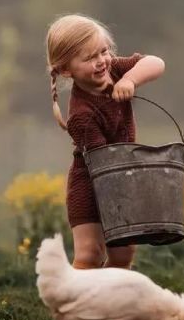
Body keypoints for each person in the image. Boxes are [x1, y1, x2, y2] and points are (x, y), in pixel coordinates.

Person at [46, 13, 165, 270]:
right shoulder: (81, 116)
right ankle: (75, 304)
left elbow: (156, 63)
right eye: (90, 58)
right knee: (90, 253)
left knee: (123, 254)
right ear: (67, 69)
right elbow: (104, 165)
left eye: (104, 51)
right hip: (90, 184)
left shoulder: (115, 69)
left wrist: (130, 79)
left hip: (121, 177)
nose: (101, 61)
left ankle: (112, 304)